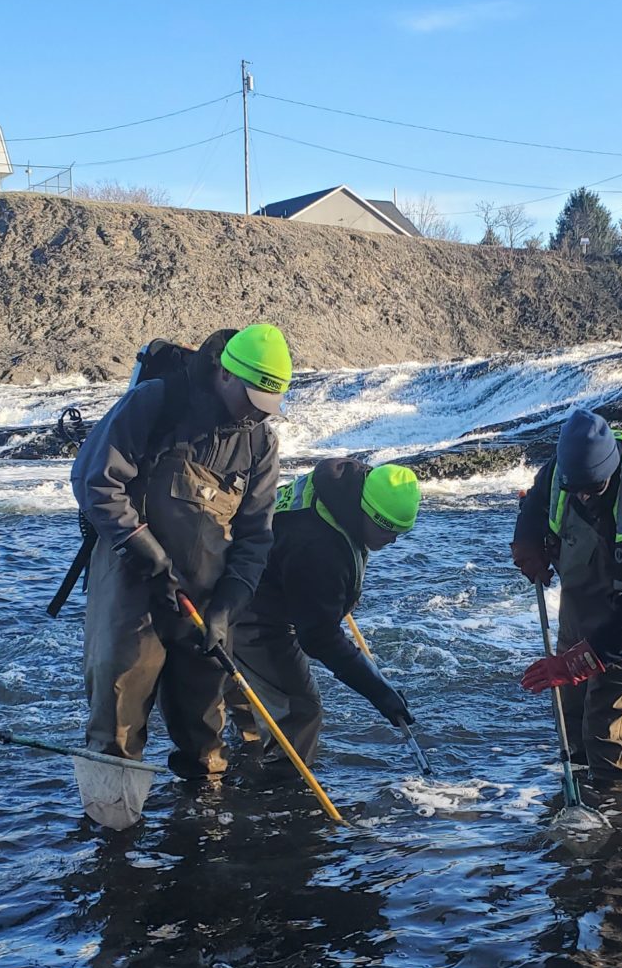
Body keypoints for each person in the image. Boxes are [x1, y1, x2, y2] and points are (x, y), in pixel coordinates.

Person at [70, 322, 288, 782]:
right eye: (251, 401)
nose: (256, 416)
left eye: (267, 408)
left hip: (205, 598)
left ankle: (203, 827)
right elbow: (95, 481)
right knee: (118, 720)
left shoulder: (260, 442)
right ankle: (114, 835)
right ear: (225, 374)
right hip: (131, 579)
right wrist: (144, 551)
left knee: (205, 728)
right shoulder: (155, 401)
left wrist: (229, 606)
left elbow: (255, 535)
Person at [511, 409, 622, 792]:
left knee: (604, 731)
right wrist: (526, 545)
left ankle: (617, 827)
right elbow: (534, 504)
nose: (583, 495)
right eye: (576, 489)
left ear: (610, 472)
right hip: (580, 599)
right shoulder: (561, 472)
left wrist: (582, 661)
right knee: (570, 721)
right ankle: (575, 802)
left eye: (592, 489)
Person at [225, 458, 421, 765]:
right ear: (366, 513)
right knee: (299, 708)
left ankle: (245, 763)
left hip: (259, 574)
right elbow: (317, 637)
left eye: (401, 532)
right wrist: (378, 692)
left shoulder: (345, 486)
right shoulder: (318, 546)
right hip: (248, 599)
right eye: (388, 532)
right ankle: (283, 795)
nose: (393, 540)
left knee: (253, 697)